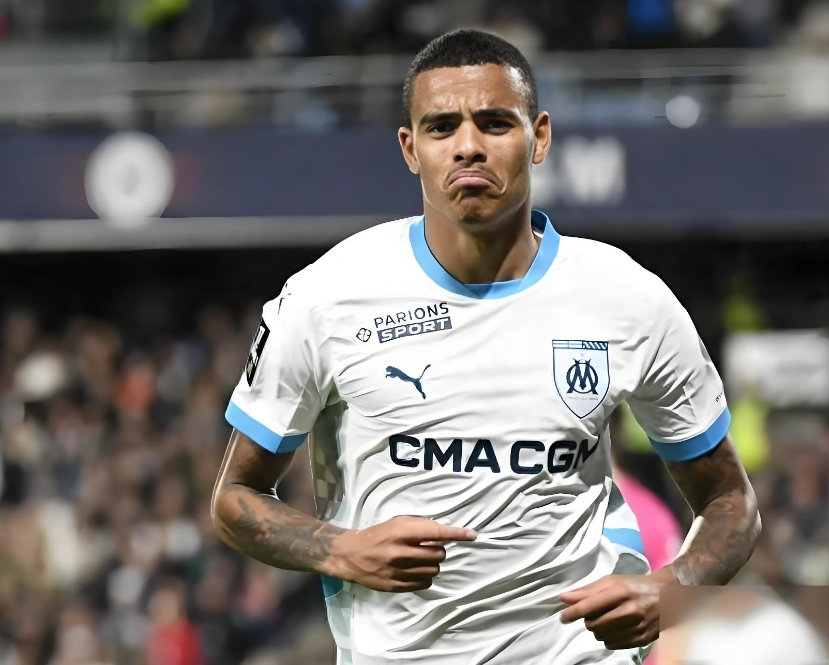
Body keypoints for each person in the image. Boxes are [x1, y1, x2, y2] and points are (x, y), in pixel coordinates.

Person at [211, 28, 761, 665]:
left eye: (495, 123)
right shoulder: (326, 297)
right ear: (410, 148)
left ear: (540, 137)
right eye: (442, 127)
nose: (468, 145)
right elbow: (235, 500)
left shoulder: (628, 298)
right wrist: (341, 549)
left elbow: (731, 500)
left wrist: (673, 589)